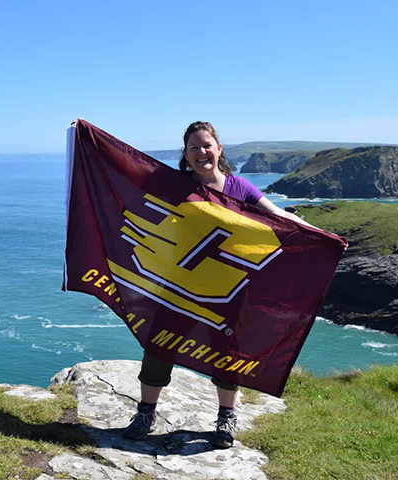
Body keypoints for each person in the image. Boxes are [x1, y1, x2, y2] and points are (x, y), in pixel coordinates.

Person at [122, 121, 318, 448]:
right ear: (185, 155)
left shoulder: (240, 188)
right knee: (159, 346)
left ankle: (226, 418)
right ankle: (146, 413)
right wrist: (86, 138)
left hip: (228, 292)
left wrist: (319, 235)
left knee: (227, 353)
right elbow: (129, 170)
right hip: (180, 287)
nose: (201, 152)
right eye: (194, 147)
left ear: (219, 148)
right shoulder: (176, 185)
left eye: (206, 145)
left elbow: (277, 217)